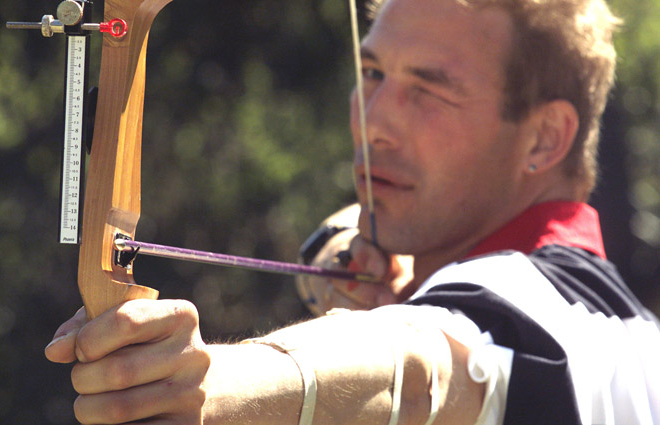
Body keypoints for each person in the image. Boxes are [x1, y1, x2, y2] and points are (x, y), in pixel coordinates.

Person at [45, 0, 660, 423]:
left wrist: (213, 386)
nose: (375, 120)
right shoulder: (638, 340)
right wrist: (348, 252)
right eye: (371, 71)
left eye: (429, 89)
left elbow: (418, 371)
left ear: (544, 138)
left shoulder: (510, 303)